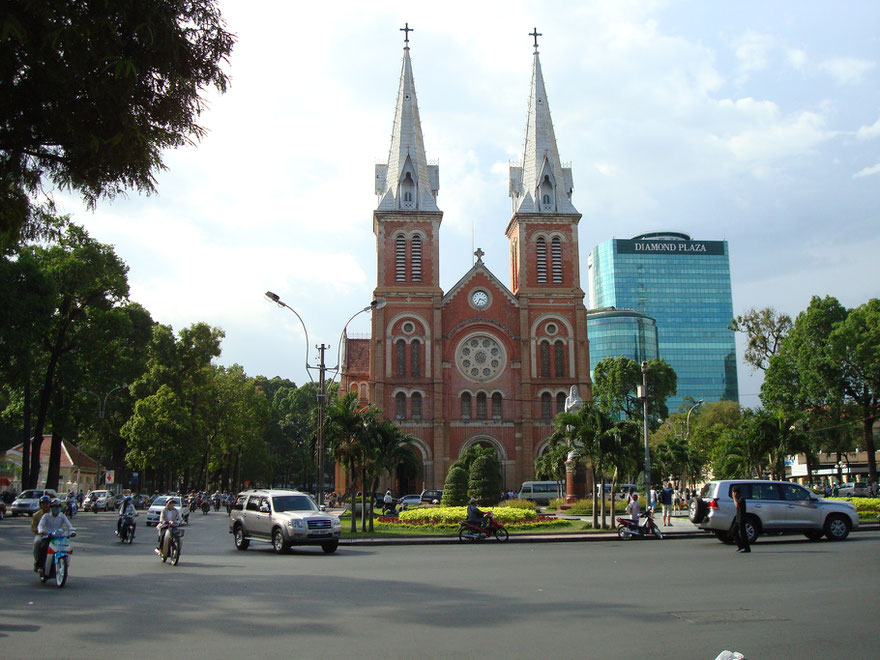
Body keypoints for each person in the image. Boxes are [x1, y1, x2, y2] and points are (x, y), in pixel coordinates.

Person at [36, 498, 76, 575]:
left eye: (58, 507)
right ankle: (40, 567)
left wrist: (72, 532)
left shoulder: (62, 516)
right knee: (43, 547)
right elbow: (40, 525)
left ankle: (65, 566)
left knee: (69, 548)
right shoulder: (46, 516)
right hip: (48, 537)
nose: (56, 509)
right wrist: (41, 531)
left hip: (60, 537)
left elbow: (69, 525)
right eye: (55, 507)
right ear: (51, 508)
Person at [31, 495, 52, 572]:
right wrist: (40, 531)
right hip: (41, 534)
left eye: (47, 503)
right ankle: (37, 563)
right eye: (43, 503)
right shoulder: (36, 515)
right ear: (40, 505)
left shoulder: (53, 513)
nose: (45, 505)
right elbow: (33, 527)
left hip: (52, 534)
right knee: (37, 542)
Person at [731, 485, 750, 553]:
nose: (733, 494)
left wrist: (734, 498)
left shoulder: (741, 499)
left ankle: (747, 548)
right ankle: (740, 546)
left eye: (733, 492)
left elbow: (737, 505)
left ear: (736, 493)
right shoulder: (738, 498)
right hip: (738, 518)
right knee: (733, 532)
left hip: (742, 518)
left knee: (743, 534)